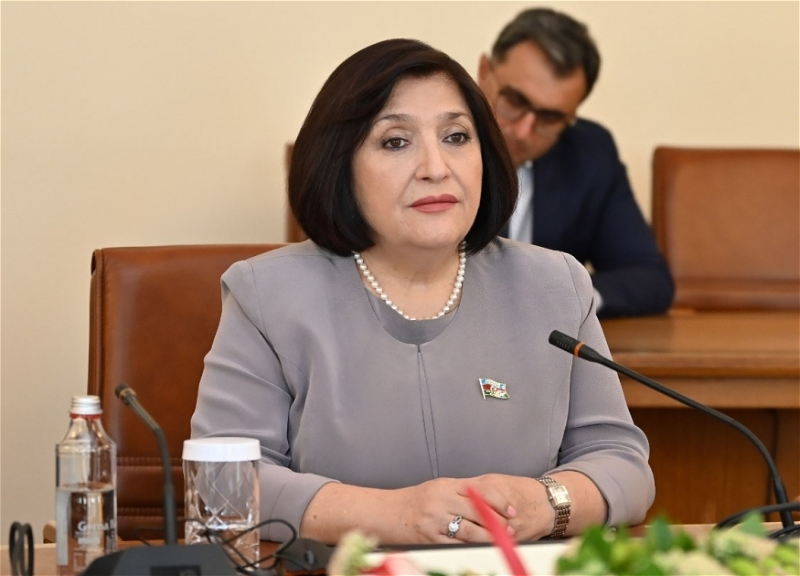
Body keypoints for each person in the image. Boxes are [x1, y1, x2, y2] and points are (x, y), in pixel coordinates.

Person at [191, 38, 654, 546]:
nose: (436, 167)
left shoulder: (555, 283)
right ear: (340, 163)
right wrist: (395, 514)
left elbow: (621, 463)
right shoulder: (266, 293)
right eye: (395, 142)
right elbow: (222, 482)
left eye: (456, 137)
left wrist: (547, 504)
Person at [477, 8, 674, 318]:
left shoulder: (590, 152)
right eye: (515, 100)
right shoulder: (430, 141)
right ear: (484, 72)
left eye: (550, 117)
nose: (524, 130)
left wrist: (564, 296)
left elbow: (649, 279)